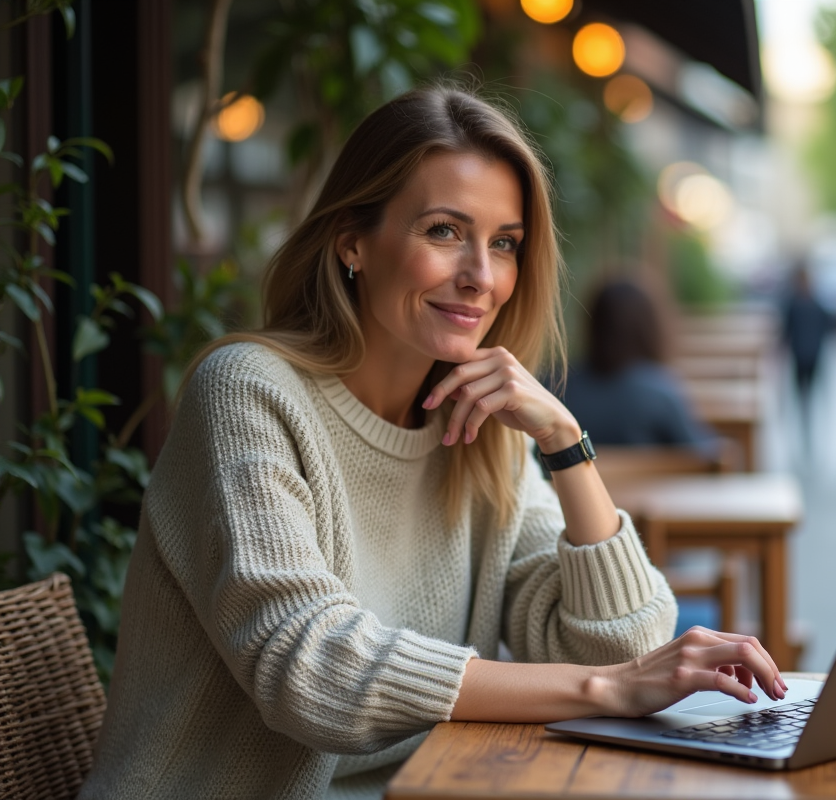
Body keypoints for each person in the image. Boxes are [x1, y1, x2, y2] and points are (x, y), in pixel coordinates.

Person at [80, 87, 786, 799]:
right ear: (352, 241)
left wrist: (566, 443)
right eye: (445, 231)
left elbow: (627, 651)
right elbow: (310, 670)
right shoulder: (247, 392)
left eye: (504, 243)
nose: (481, 276)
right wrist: (609, 688)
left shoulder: (484, 429)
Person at [560, 280, 718, 453]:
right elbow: (704, 453)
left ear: (593, 325)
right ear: (650, 328)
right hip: (655, 481)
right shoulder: (660, 392)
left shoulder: (559, 387)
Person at [781, 264, 833, 460]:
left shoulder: (794, 304)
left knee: (804, 398)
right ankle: (806, 435)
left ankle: (807, 433)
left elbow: (785, 334)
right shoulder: (815, 304)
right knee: (806, 397)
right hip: (810, 357)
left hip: (805, 357)